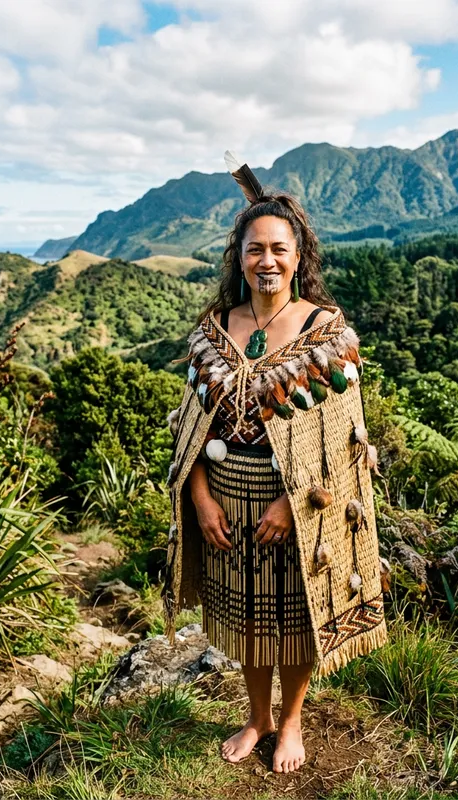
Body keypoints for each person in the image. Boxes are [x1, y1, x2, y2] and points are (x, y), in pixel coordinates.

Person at [162, 160, 387, 774]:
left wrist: (294, 504)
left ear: (298, 255)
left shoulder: (326, 335)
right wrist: (201, 498)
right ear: (238, 257)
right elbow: (193, 430)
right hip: (226, 499)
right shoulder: (213, 331)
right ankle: (256, 716)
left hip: (297, 509)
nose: (267, 260)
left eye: (278, 249)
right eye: (254, 248)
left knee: (296, 618)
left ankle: (290, 725)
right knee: (248, 619)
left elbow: (342, 440)